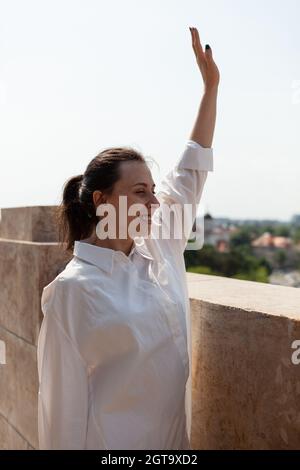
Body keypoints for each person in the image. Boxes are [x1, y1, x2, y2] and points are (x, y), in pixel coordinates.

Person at [37, 26, 219, 450]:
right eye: (141, 192)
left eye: (154, 191)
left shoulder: (160, 244)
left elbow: (192, 170)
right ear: (102, 201)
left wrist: (211, 88)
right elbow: (59, 413)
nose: (155, 202)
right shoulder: (70, 292)